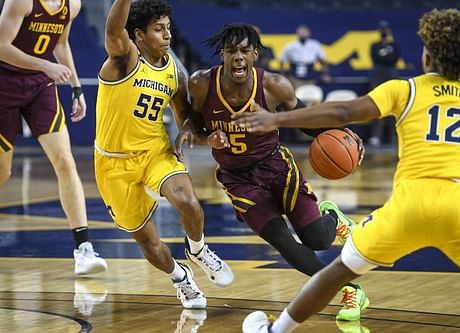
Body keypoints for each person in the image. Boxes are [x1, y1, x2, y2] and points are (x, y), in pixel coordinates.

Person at [234, 9, 460, 332]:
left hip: (408, 207)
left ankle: (276, 331)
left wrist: (276, 119)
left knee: (337, 273)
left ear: (427, 57)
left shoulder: (406, 89)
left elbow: (344, 111)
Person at [175, 23, 368, 321]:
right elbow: (194, 120)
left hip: (276, 167)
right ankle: (348, 290)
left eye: (244, 51)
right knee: (284, 243)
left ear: (254, 54)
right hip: (238, 179)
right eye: (231, 51)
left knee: (319, 241)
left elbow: (303, 119)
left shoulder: (274, 86)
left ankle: (332, 218)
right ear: (222, 55)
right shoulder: (202, 83)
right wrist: (201, 136)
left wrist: (343, 133)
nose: (238, 57)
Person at [95, 0, 233, 308]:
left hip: (156, 152)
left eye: (168, 28)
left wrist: (209, 139)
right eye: (159, 30)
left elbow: (188, 122)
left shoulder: (174, 71)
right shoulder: (123, 60)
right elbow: (113, 30)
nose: (167, 35)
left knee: (188, 202)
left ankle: (197, 250)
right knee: (149, 243)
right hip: (113, 164)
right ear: (139, 36)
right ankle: (180, 277)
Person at [0, 0, 107, 275]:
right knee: (3, 171)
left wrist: (76, 88)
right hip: (5, 83)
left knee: (64, 160)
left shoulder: (72, 4)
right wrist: (45, 66)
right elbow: (1, 46)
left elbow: (60, 44)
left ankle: (83, 248)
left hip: (39, 86)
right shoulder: (21, 1)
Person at [367, 20, 401, 146]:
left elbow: (394, 59)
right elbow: (375, 58)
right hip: (378, 75)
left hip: (391, 74)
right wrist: (386, 55)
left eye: (385, 30)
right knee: (376, 104)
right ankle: (376, 136)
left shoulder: (394, 45)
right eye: (382, 30)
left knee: (393, 105)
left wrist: (385, 53)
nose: (384, 33)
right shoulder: (374, 45)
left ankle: (393, 135)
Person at [280, 24, 332, 89]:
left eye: (305, 32)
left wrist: (325, 74)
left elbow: (323, 61)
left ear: (309, 33)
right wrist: (283, 75)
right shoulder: (290, 46)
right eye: (301, 32)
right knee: (295, 94)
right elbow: (282, 60)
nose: (303, 34)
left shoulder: (315, 45)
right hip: (294, 76)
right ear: (297, 33)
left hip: (310, 76)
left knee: (309, 94)